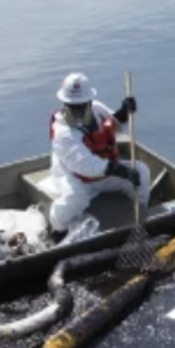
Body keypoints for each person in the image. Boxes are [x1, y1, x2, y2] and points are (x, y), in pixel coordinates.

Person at [47, 72, 148, 238]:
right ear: (64, 104)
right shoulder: (63, 134)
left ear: (88, 102)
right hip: (74, 177)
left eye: (81, 105)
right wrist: (122, 171)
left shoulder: (97, 109)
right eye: (72, 106)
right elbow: (87, 166)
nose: (77, 111)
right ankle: (58, 228)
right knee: (76, 198)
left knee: (142, 172)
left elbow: (111, 125)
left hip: (105, 170)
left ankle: (140, 214)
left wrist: (124, 112)